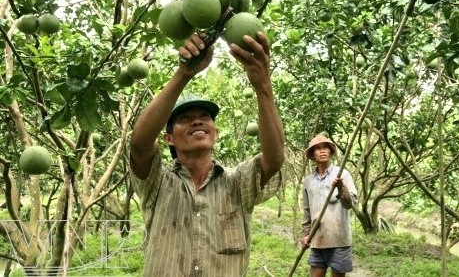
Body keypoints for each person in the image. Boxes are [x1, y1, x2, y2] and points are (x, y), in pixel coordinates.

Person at [129, 31, 284, 277]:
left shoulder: (236, 183)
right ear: (168, 138)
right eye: (185, 119)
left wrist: (263, 87)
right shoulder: (158, 184)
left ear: (215, 132)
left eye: (205, 118)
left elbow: (274, 159)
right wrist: (184, 73)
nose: (197, 122)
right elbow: (139, 144)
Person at [300, 134, 358, 277]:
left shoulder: (342, 174)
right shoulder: (308, 181)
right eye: (317, 149)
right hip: (317, 240)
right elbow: (307, 210)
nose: (322, 151)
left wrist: (341, 187)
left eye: (325, 147)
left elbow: (350, 204)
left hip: (339, 240)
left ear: (331, 152)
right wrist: (305, 234)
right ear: (312, 154)